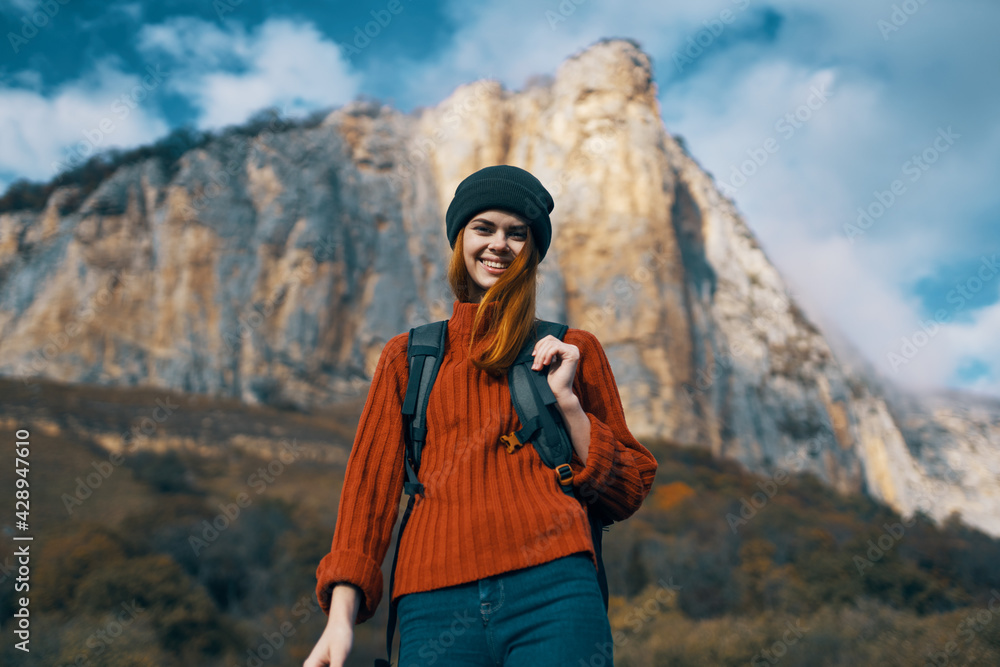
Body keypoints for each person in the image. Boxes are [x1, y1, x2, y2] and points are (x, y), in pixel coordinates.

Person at [304, 165, 658, 667]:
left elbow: (630, 488)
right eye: (484, 228)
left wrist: (570, 405)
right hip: (432, 602)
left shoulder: (573, 349)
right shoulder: (408, 357)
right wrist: (339, 620)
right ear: (460, 238)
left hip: (556, 590)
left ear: (533, 250)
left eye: (518, 233)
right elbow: (367, 496)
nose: (500, 245)